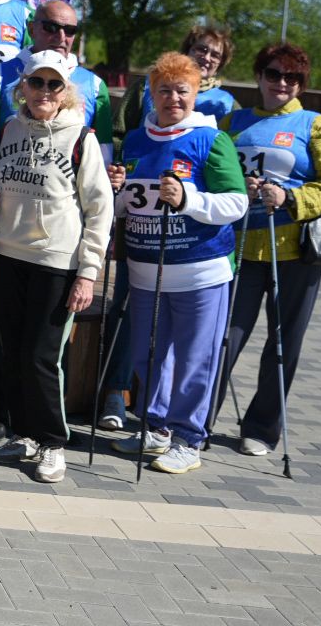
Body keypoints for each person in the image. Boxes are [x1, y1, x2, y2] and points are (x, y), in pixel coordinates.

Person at [0, 49, 113, 483]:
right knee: (12, 351)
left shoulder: (81, 138)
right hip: (6, 255)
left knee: (41, 357)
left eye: (54, 85)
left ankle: (53, 442)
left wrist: (88, 272)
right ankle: (26, 434)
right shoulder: (7, 129)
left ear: (66, 91)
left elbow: (100, 209)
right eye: (37, 82)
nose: (44, 92)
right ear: (23, 86)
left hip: (56, 262)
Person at [106, 52, 248, 474]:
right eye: (164, 90)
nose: (173, 99)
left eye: (181, 91)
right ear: (151, 95)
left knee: (194, 358)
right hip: (146, 270)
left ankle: (189, 438)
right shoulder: (136, 141)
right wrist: (115, 191)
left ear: (195, 94)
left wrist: (189, 199)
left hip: (200, 271)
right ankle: (155, 427)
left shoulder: (210, 139)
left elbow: (236, 203)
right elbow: (126, 206)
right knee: (147, 354)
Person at [220, 42, 321, 457]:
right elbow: (212, 174)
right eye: (274, 73)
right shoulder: (232, 122)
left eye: (292, 77)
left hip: (294, 253)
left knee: (283, 344)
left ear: (301, 84)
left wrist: (289, 197)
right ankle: (195, 422)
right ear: (259, 76)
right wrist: (239, 187)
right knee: (223, 339)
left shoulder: (314, 125)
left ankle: (261, 428)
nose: (282, 83)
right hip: (240, 248)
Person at [0, 0, 111, 162]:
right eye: (51, 27)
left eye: (70, 30)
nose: (61, 37)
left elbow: (103, 155)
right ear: (31, 29)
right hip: (8, 176)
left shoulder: (95, 85)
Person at [116, 24, 239, 136]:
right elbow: (118, 132)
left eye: (215, 55)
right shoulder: (147, 86)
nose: (206, 58)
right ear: (187, 51)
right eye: (201, 49)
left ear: (220, 64)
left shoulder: (227, 104)